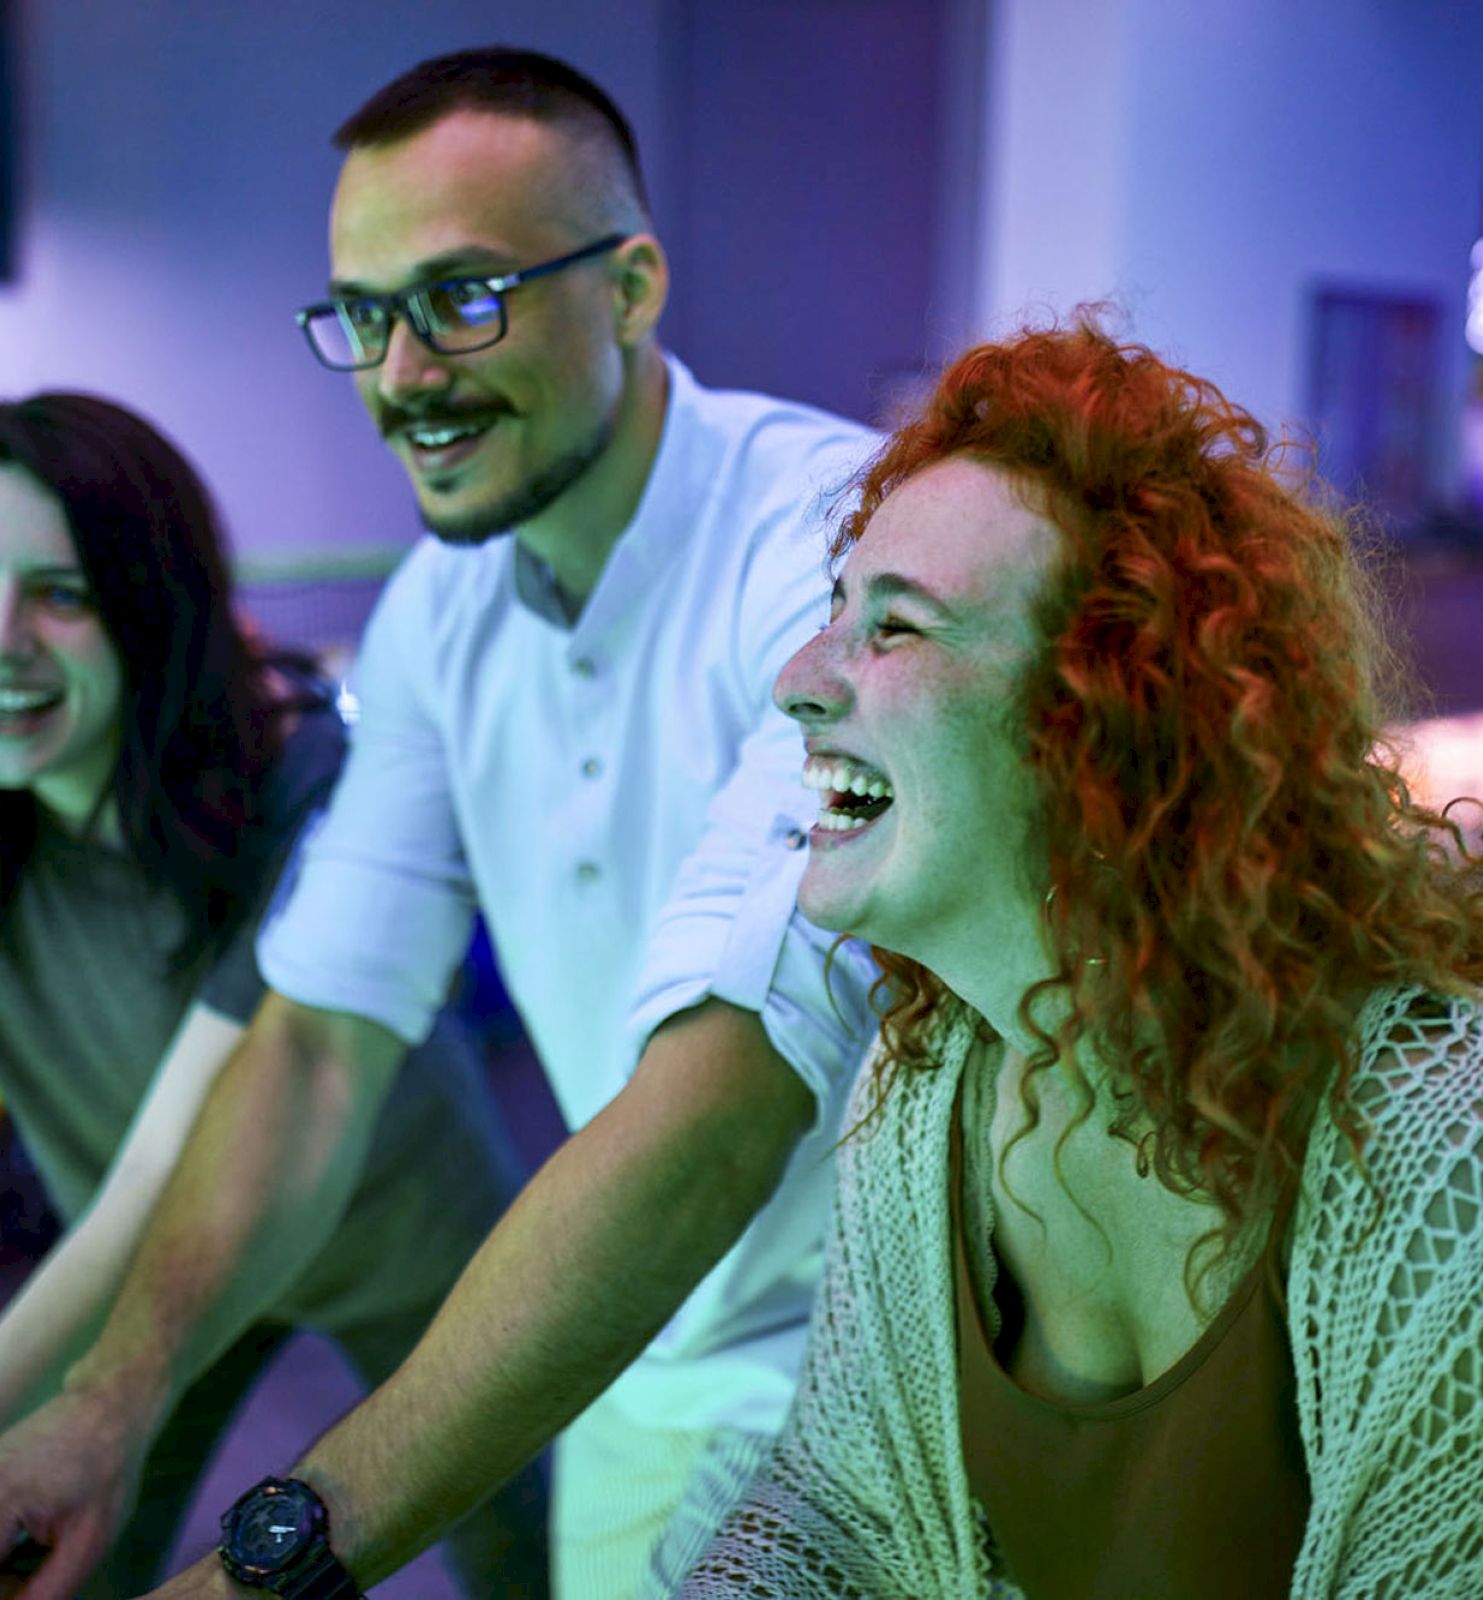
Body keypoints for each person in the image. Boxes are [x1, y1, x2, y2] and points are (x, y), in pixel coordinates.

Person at [0, 47, 877, 1600]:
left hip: (882, 1354)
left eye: (464, 297)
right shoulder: (437, 620)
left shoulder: (827, 542)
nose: (404, 373)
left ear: (633, 285)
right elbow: (319, 1040)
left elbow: (729, 1093)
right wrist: (107, 1404)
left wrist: (284, 1562)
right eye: (365, 314)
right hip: (631, 1348)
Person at [678, 321, 1483, 1598]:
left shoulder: (1442, 1151)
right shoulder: (926, 1080)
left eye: (894, 630)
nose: (798, 680)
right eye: (834, 610)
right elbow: (837, 1504)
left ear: (1102, 729)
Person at [0, 393, 548, 1597]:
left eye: (61, 593)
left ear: (150, 604)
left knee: (532, 1551)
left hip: (401, 1230)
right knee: (69, 1551)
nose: (5, 642)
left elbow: (166, 1167)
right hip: (160, 1272)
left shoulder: (300, 782)